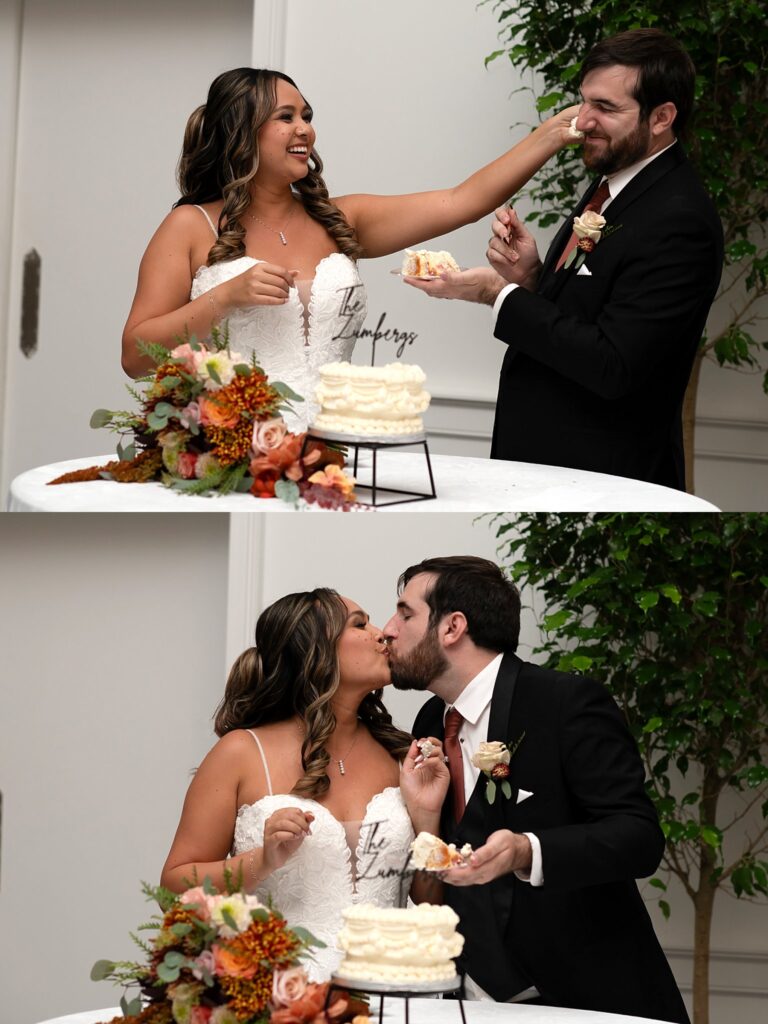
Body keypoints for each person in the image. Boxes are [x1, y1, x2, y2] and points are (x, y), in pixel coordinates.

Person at [122, 67, 579, 431]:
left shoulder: (341, 219)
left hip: (335, 455)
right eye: (286, 117)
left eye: (307, 115)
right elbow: (135, 356)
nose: (306, 130)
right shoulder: (190, 226)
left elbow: (463, 201)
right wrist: (224, 297)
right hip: (232, 453)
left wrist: (555, 133)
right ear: (241, 133)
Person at [404, 29, 724, 490]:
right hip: (547, 464)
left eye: (606, 108)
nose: (582, 122)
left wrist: (499, 294)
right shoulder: (618, 184)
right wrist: (532, 279)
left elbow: (614, 366)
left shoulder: (680, 219)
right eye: (584, 101)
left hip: (602, 478)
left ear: (662, 117)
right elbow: (588, 315)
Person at [383, 555, 690, 1023]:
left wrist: (528, 850)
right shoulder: (431, 721)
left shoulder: (563, 703)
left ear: (452, 627)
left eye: (405, 614)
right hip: (472, 999)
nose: (389, 629)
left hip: (586, 996)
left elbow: (639, 837)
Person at [160, 588, 448, 979]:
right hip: (283, 996)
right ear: (315, 650)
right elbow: (172, 890)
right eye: (360, 624)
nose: (382, 633)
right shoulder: (242, 753)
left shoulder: (400, 754)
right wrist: (261, 860)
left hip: (392, 994)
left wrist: (428, 820)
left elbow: (427, 902)